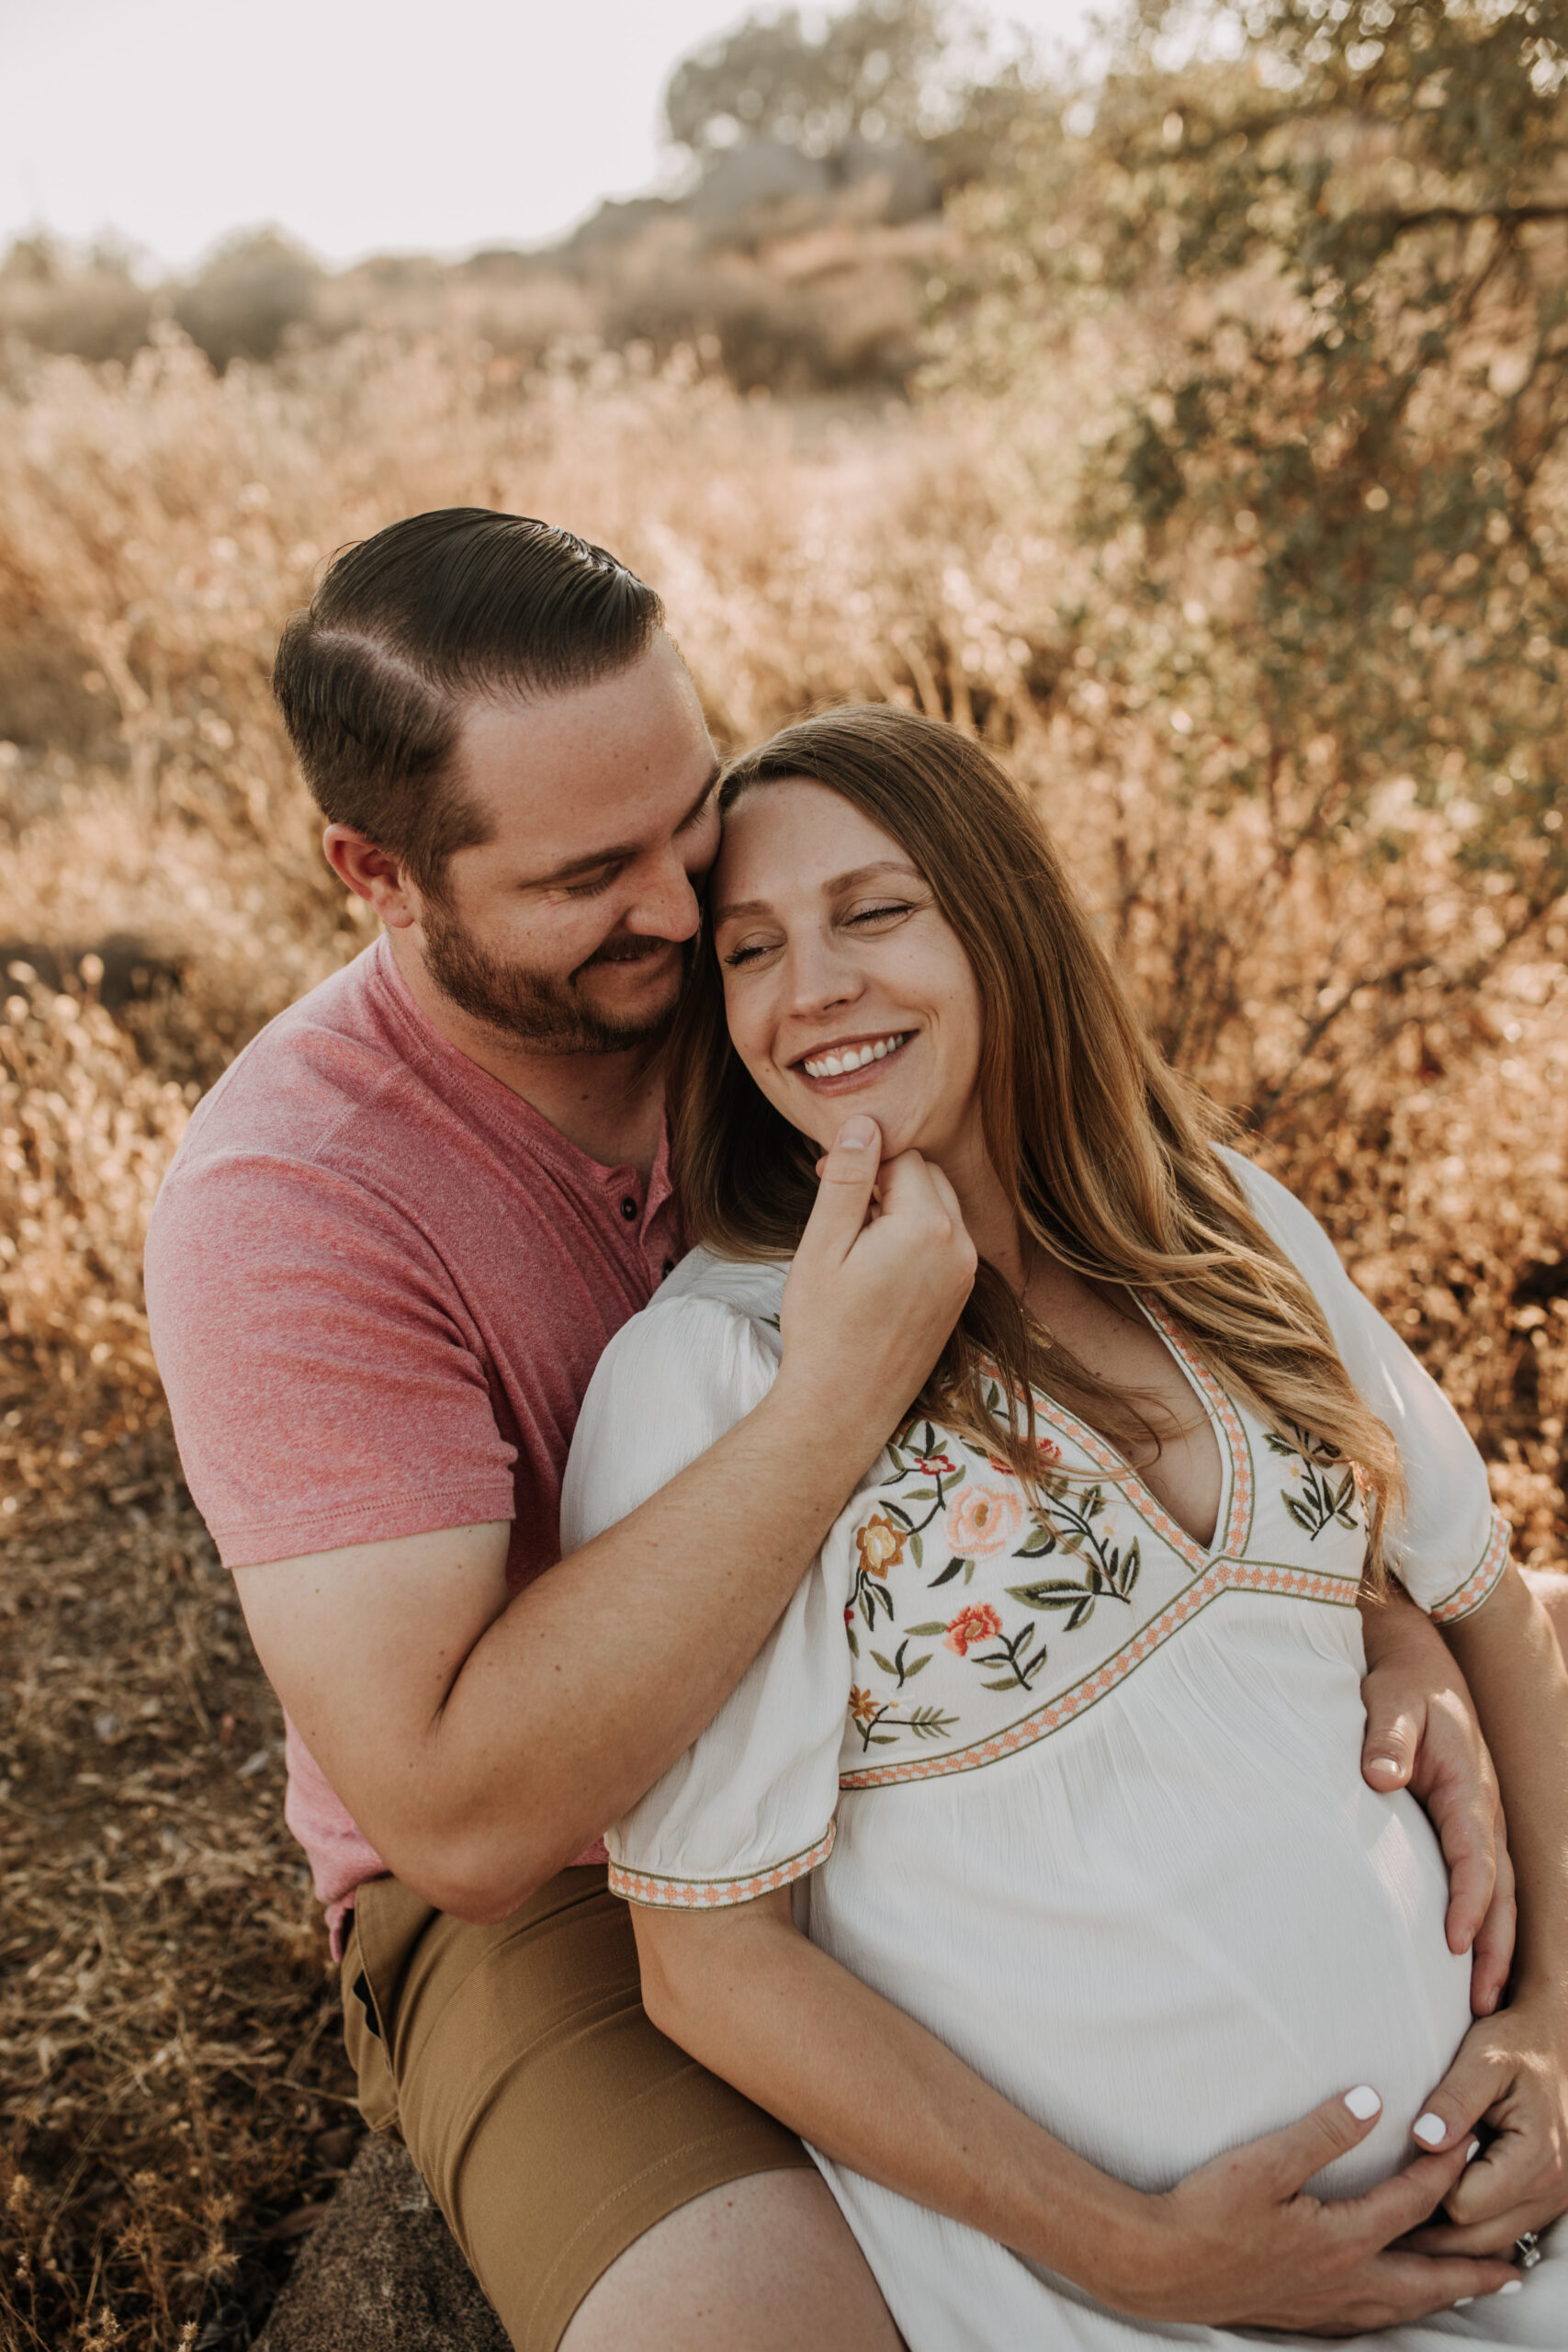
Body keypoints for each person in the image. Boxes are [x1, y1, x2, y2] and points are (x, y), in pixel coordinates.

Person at [144, 512, 1520, 2352]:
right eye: (587, 875)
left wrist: (1364, 1595)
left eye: (686, 818)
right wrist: (833, 1398)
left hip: (934, 1715)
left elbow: (1148, 1260)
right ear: (371, 873)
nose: (677, 904)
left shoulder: (778, 965)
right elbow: (461, 1811)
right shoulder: (288, 1205)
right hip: (556, 1874)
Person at [560, 703, 1568, 2348]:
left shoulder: (1223, 1223)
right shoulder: (720, 1372)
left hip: (1517, 2218)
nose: (811, 987)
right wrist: (1139, 2254)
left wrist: (1558, 2017)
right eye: (750, 950)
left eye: (875, 913)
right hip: (1138, 2312)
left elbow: (1483, 1597)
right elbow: (711, 1966)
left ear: (1006, 920)